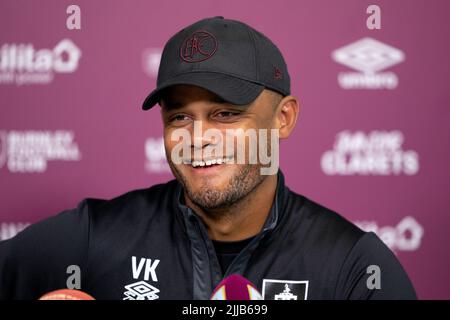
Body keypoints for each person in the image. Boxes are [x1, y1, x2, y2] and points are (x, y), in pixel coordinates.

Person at [0, 16, 416, 300]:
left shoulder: (354, 268)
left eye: (226, 114)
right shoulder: (92, 237)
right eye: (180, 116)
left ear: (283, 118)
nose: (198, 139)